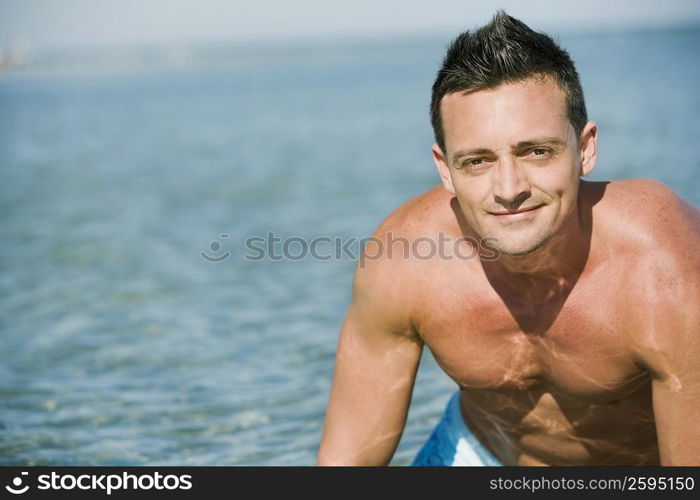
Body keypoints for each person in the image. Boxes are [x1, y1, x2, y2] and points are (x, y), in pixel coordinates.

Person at [317, 11, 700, 466]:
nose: (508, 188)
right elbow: (344, 466)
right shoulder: (404, 261)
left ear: (586, 148)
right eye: (477, 161)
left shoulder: (664, 266)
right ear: (445, 169)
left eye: (536, 151)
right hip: (478, 453)